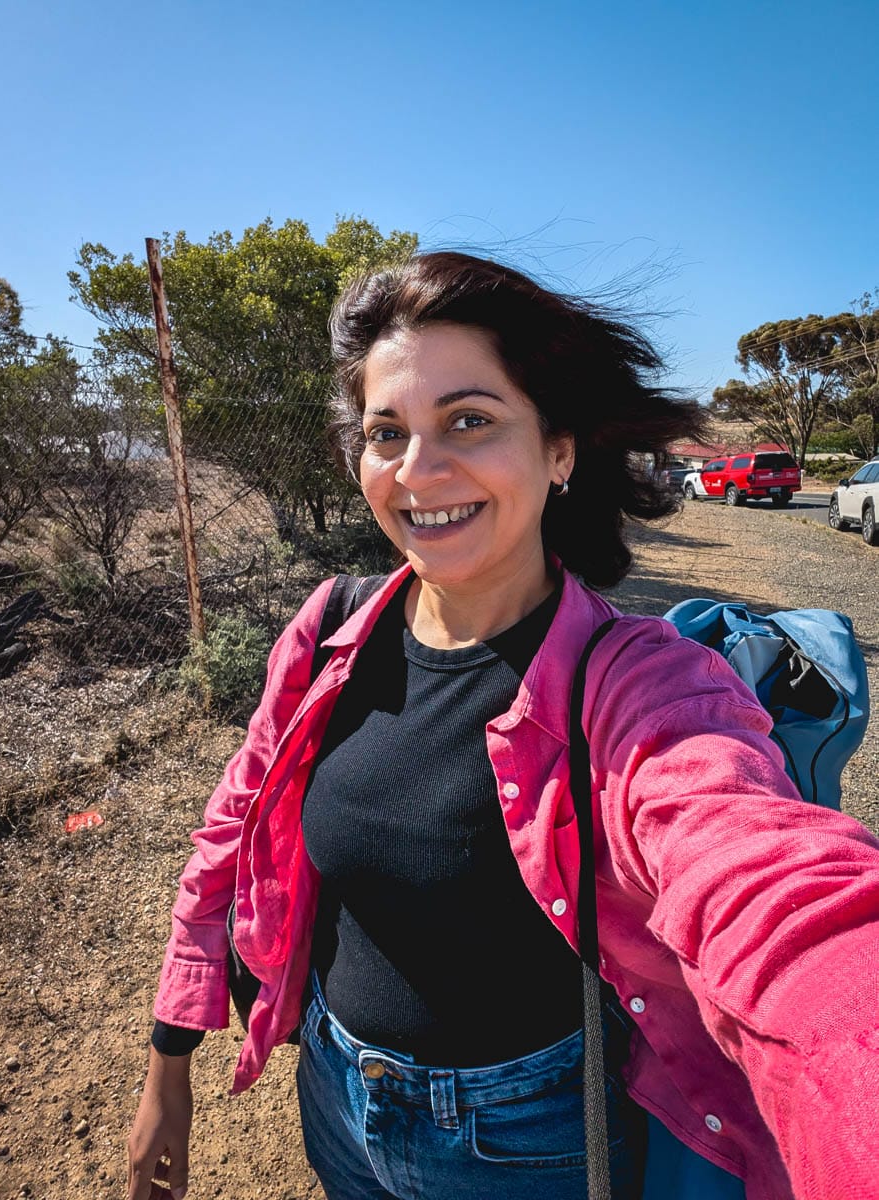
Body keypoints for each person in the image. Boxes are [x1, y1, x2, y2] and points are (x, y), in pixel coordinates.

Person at [127, 252, 879, 1200]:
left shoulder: (639, 684)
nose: (417, 470)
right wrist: (168, 1059)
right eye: (386, 432)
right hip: (337, 1097)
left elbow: (768, 883)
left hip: (531, 1143)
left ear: (559, 450)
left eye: (470, 420)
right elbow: (230, 830)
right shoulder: (328, 632)